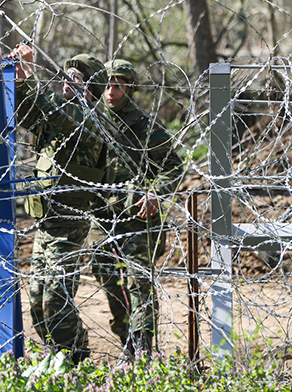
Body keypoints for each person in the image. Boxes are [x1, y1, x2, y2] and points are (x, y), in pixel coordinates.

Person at [9, 44, 107, 363]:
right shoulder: (58, 117)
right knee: (37, 302)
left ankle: (75, 357)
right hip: (46, 224)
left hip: (69, 227)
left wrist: (30, 72)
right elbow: (28, 112)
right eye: (67, 74)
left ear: (90, 90)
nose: (67, 80)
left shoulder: (88, 121)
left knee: (56, 301)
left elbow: (53, 112)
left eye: (76, 78)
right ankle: (63, 355)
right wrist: (22, 77)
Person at [90, 59, 184, 359]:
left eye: (117, 86)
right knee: (106, 274)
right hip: (104, 216)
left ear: (130, 89)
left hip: (139, 217)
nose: (110, 92)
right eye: (107, 85)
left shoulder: (145, 127)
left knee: (138, 279)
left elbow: (173, 165)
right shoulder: (94, 123)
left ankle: (143, 343)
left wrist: (156, 193)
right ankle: (126, 338)